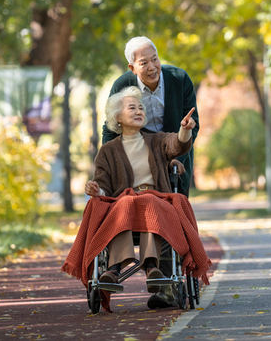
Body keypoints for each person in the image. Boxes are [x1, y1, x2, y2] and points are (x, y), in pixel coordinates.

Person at [83, 86, 198, 309]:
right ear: (117, 117)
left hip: (156, 201)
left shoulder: (157, 140)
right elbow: (104, 186)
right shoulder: (107, 151)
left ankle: (152, 267)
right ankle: (113, 270)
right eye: (132, 107)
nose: (139, 111)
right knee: (124, 203)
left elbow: (177, 145)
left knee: (147, 201)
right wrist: (97, 191)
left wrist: (184, 130)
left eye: (141, 108)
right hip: (124, 205)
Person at [102, 36, 199, 198]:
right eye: (144, 63)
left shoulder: (179, 79)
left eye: (155, 59)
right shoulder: (122, 86)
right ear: (132, 68)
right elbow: (111, 127)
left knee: (176, 212)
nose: (152, 67)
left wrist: (178, 158)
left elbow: (192, 125)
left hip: (176, 153)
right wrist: (110, 163)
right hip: (138, 157)